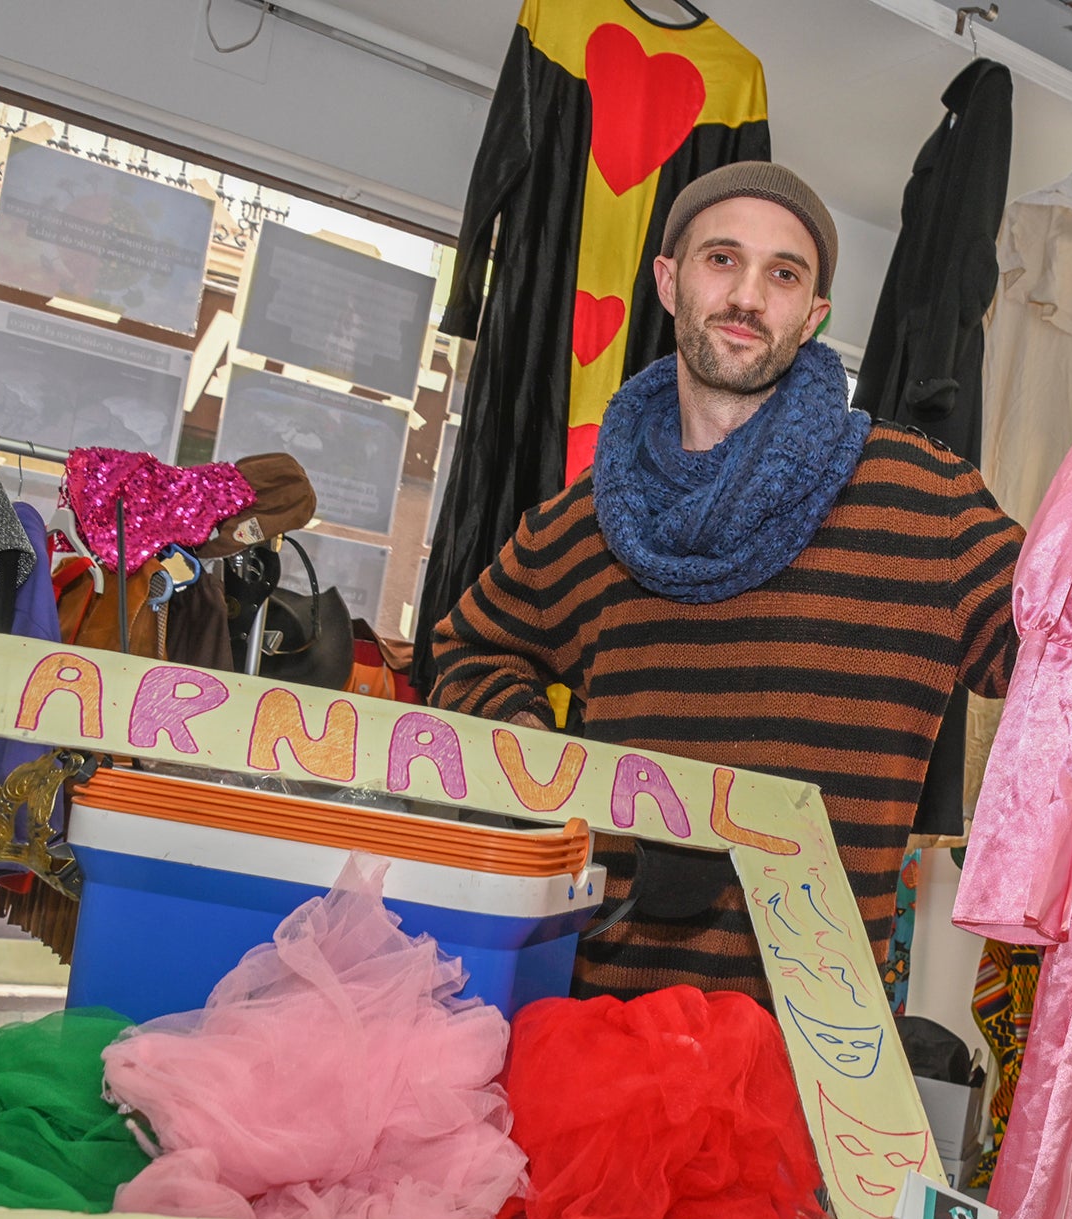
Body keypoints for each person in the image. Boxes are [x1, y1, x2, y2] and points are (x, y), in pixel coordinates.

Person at [428, 161, 1024, 1003]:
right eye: (721, 259)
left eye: (784, 274)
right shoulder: (592, 519)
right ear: (669, 281)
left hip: (815, 1046)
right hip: (604, 1019)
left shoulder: (921, 501)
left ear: (813, 315)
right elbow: (470, 648)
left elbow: (1065, 647)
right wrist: (552, 783)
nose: (749, 295)